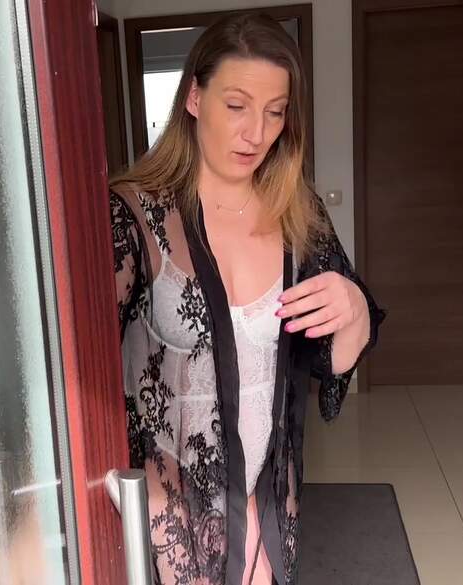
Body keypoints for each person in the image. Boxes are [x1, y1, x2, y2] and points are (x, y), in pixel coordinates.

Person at [109, 13, 385, 585]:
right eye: (236, 105)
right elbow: (74, 366)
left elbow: (329, 361)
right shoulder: (135, 215)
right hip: (167, 517)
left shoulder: (298, 214)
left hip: (266, 500)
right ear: (194, 98)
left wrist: (355, 309)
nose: (256, 133)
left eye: (275, 111)